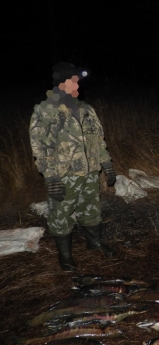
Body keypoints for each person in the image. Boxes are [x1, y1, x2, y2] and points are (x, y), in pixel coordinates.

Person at [29, 61, 117, 272]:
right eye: (73, 82)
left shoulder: (87, 109)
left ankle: (94, 243)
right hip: (63, 174)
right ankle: (65, 256)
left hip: (89, 172)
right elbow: (40, 147)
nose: (78, 87)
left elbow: (98, 139)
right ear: (61, 84)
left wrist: (107, 165)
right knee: (61, 214)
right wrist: (51, 177)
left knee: (91, 209)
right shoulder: (46, 110)